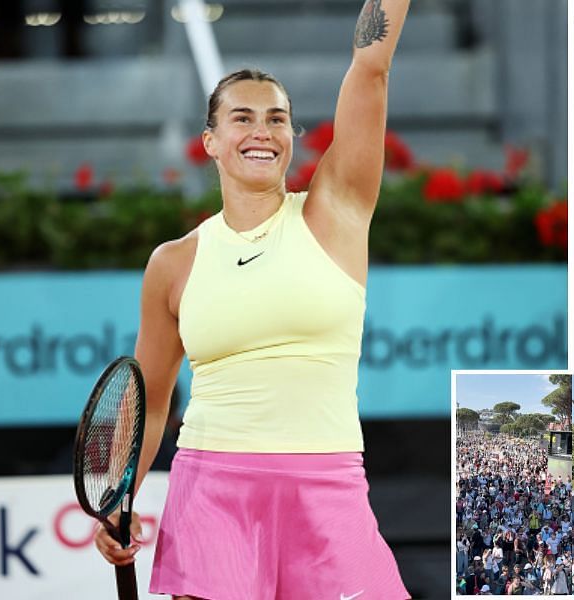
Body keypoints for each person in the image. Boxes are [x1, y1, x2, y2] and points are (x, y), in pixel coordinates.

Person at [91, 1, 413, 598]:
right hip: (212, 495)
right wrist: (119, 500)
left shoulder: (336, 212)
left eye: (277, 118)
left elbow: (370, 68)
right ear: (210, 141)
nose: (261, 131)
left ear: (294, 135)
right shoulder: (173, 263)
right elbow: (150, 405)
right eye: (242, 118)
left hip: (328, 489)